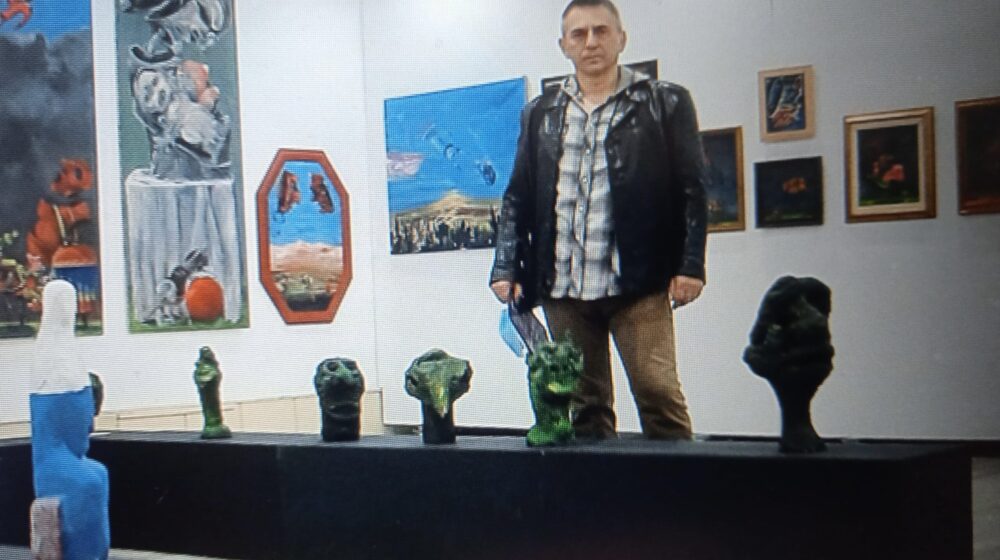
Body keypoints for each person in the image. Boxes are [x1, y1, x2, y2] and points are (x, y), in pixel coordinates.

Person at [489, 0, 707, 440]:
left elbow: (693, 188)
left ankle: (679, 484)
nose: (591, 42)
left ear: (621, 39)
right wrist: (505, 266)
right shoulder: (540, 113)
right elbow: (518, 196)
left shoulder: (664, 102)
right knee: (583, 405)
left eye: (601, 31)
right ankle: (596, 486)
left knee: (658, 394)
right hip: (563, 287)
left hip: (638, 284)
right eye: (579, 33)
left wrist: (691, 265)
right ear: (564, 45)